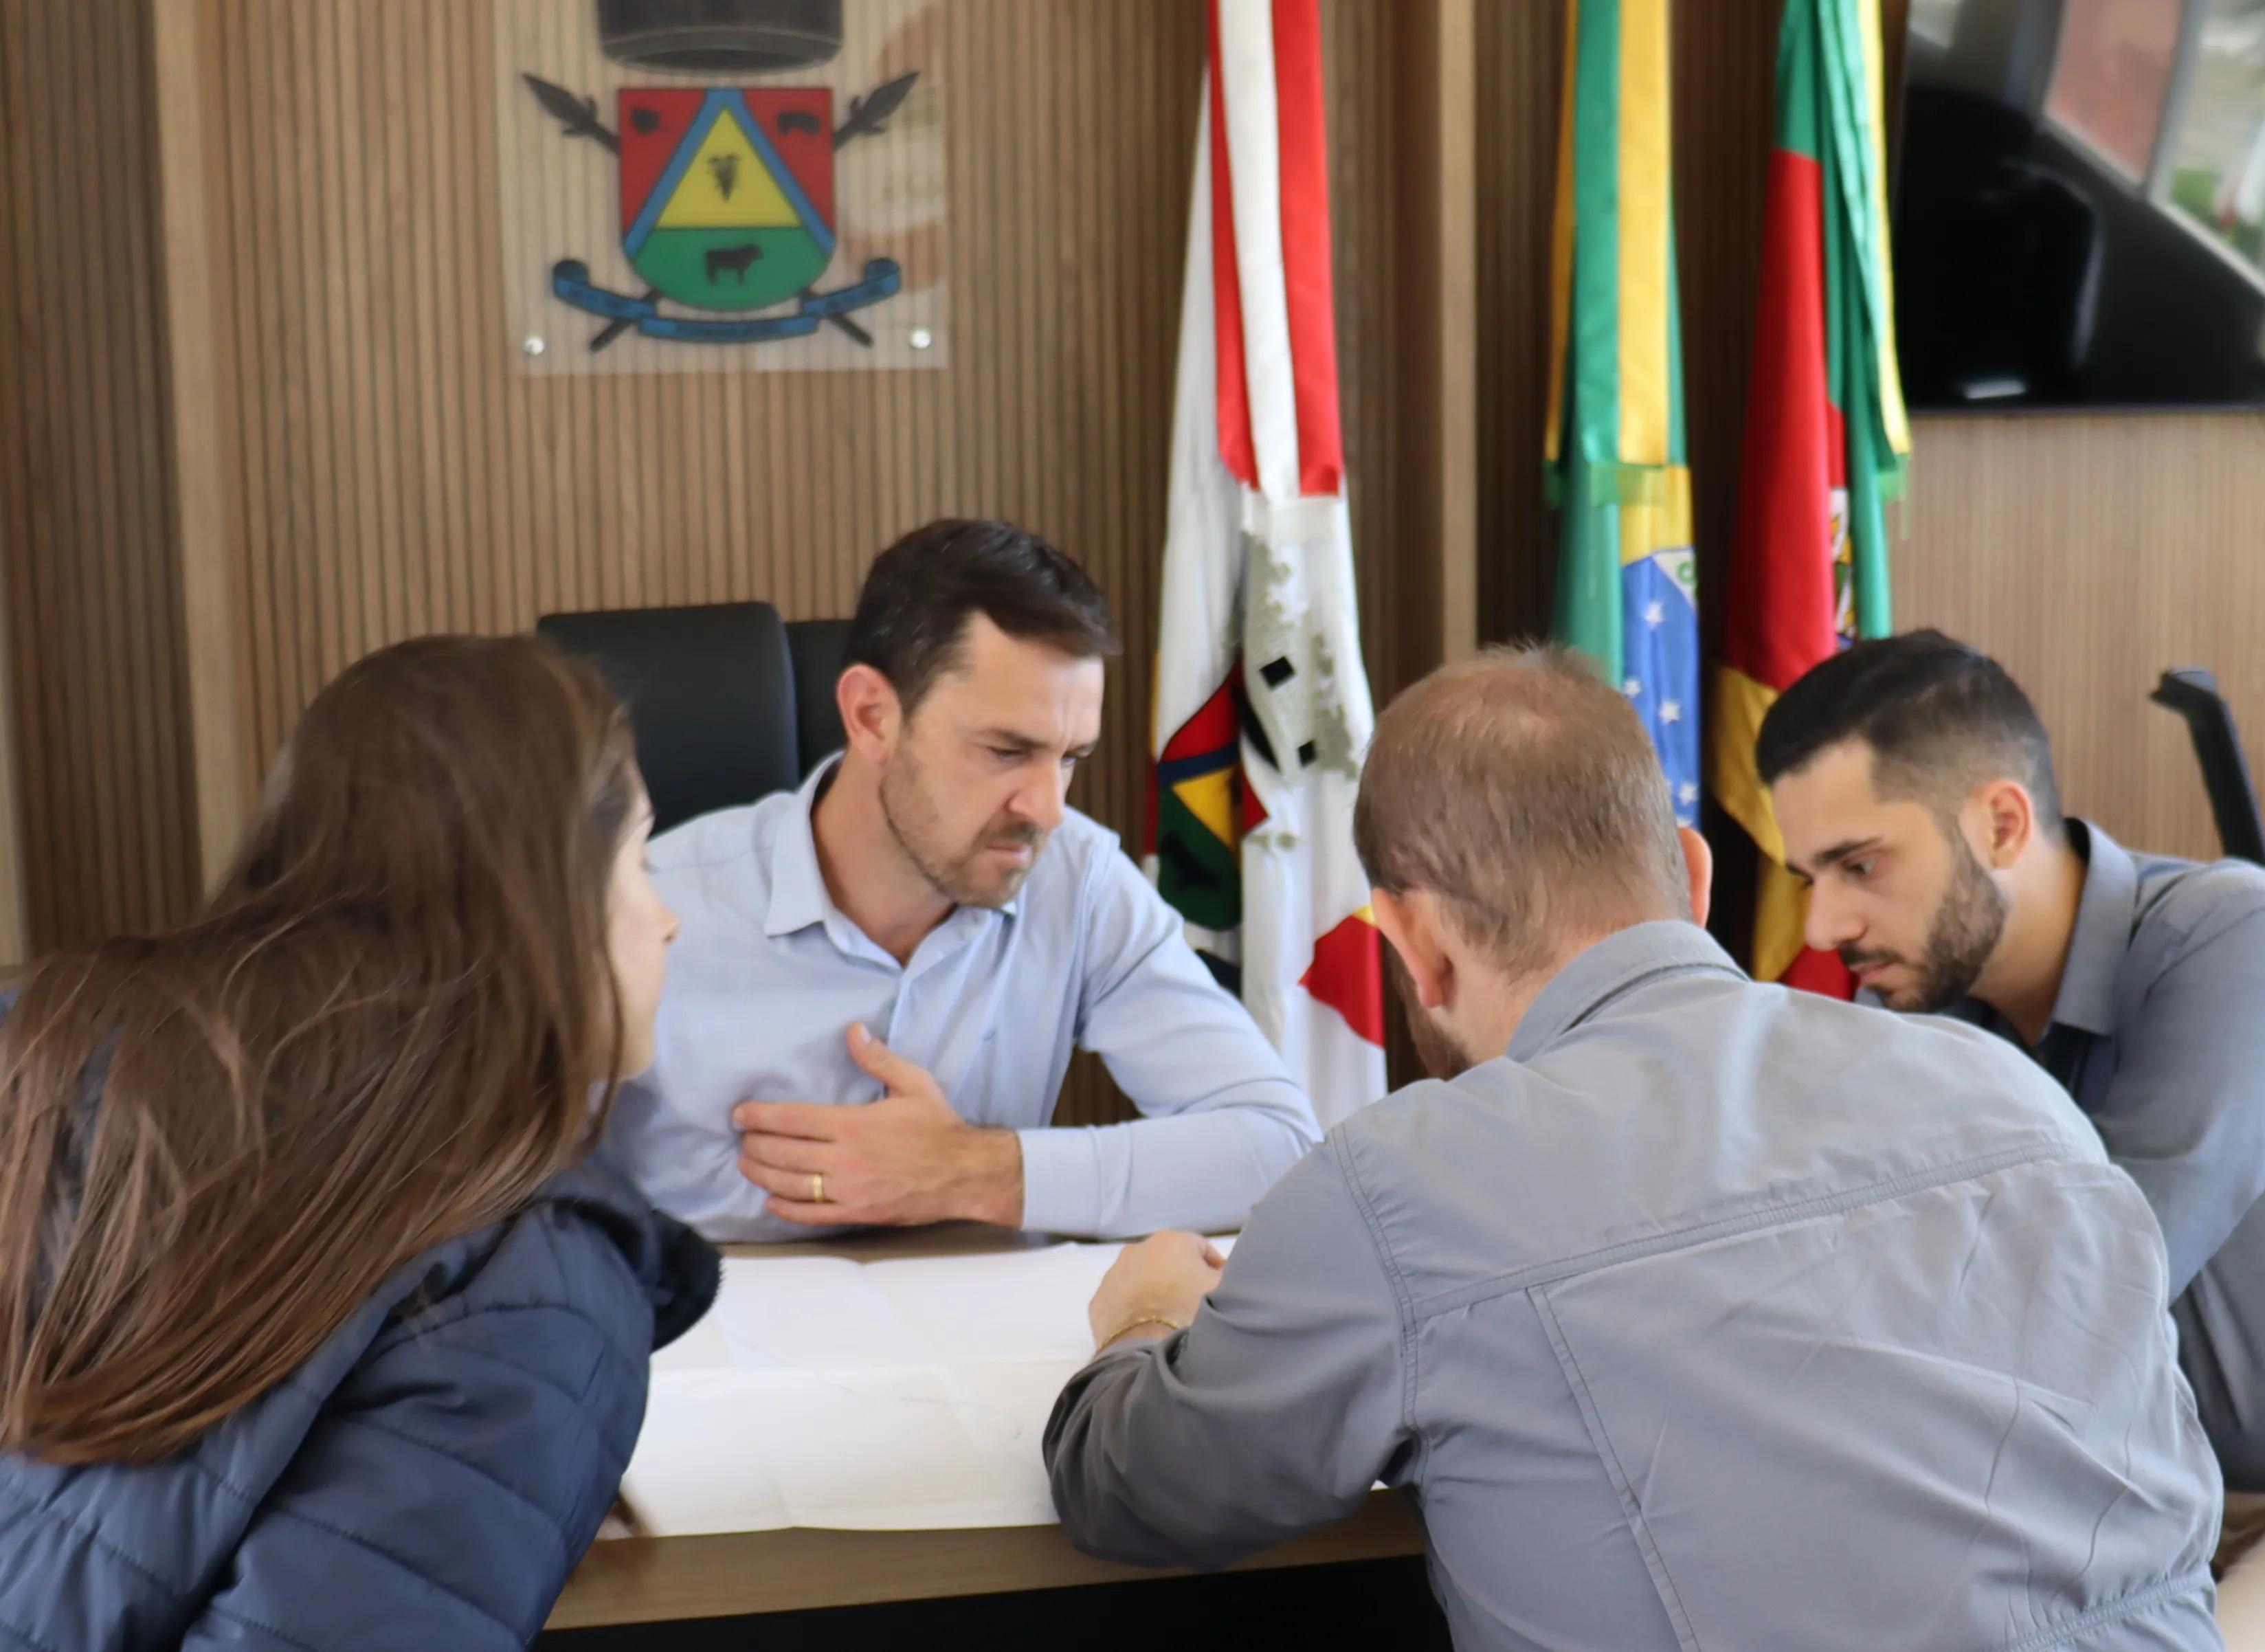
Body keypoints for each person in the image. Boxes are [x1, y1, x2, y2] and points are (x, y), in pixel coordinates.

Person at [1043, 646, 2223, 1652]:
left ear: (1413, 943)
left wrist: (1146, 1320)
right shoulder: (2012, 1092)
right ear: (1695, 874)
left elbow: (1142, 1487)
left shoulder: (1402, 1182)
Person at [0, 636, 717, 1651]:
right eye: (639, 861)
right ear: (539, 896)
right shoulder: (528, 1278)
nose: (669, 919)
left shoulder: (51, 1051)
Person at [1757, 629, 2265, 1651]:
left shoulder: (2235, 938)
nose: (1826, 924)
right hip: (2137, 1511)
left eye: (1859, 864)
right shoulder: (1934, 1020)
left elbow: (2091, 1291)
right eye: (1808, 877)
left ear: (2001, 822)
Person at [610, 519, 1318, 1242]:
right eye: (1008, 750)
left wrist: (976, 1171)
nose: (1048, 809)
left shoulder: (1077, 881)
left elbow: (1279, 1147)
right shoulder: (649, 909)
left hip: (995, 1351)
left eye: (1071, 757)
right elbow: (511, 1201)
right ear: (871, 717)